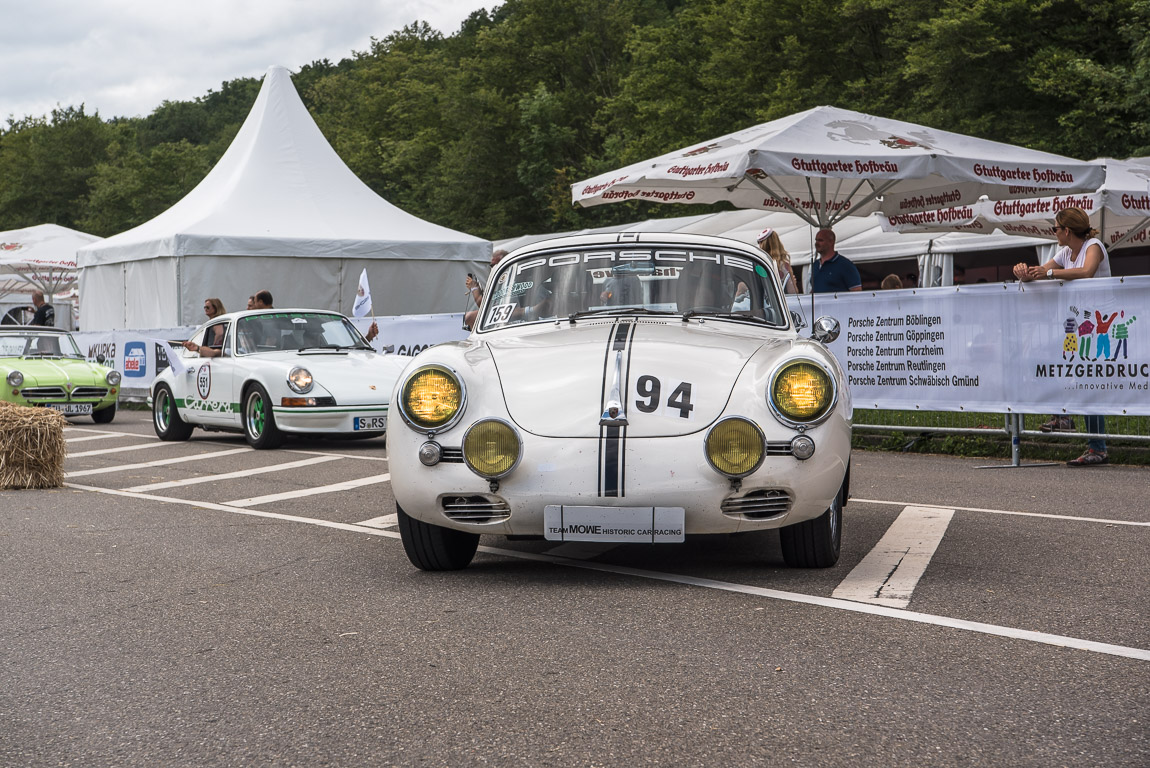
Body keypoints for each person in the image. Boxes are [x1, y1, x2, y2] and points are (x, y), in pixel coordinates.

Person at [1012, 206, 1112, 466]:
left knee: (1090, 384)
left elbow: (1086, 271)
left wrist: (1047, 273)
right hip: (1076, 325)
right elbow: (1042, 272)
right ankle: (1064, 416)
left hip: (1098, 325)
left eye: (1055, 228)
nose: (1054, 232)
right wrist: (1024, 272)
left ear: (1067, 231)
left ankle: (1097, 447)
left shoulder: (1094, 245)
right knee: (1045, 360)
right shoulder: (1066, 251)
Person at [464, 249, 508, 330]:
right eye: (492, 266)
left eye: (496, 265)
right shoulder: (495, 279)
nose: (494, 268)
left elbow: (485, 307)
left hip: (506, 322)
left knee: (470, 317)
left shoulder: (508, 280)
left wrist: (474, 288)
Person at [810, 229, 861, 293]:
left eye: (820, 240)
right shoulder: (815, 265)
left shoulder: (845, 265)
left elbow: (857, 292)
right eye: (816, 240)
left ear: (831, 242)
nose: (816, 243)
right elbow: (815, 289)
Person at [755, 228, 798, 294]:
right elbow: (793, 292)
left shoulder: (759, 264)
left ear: (763, 244)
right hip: (778, 302)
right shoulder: (784, 265)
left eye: (760, 243)